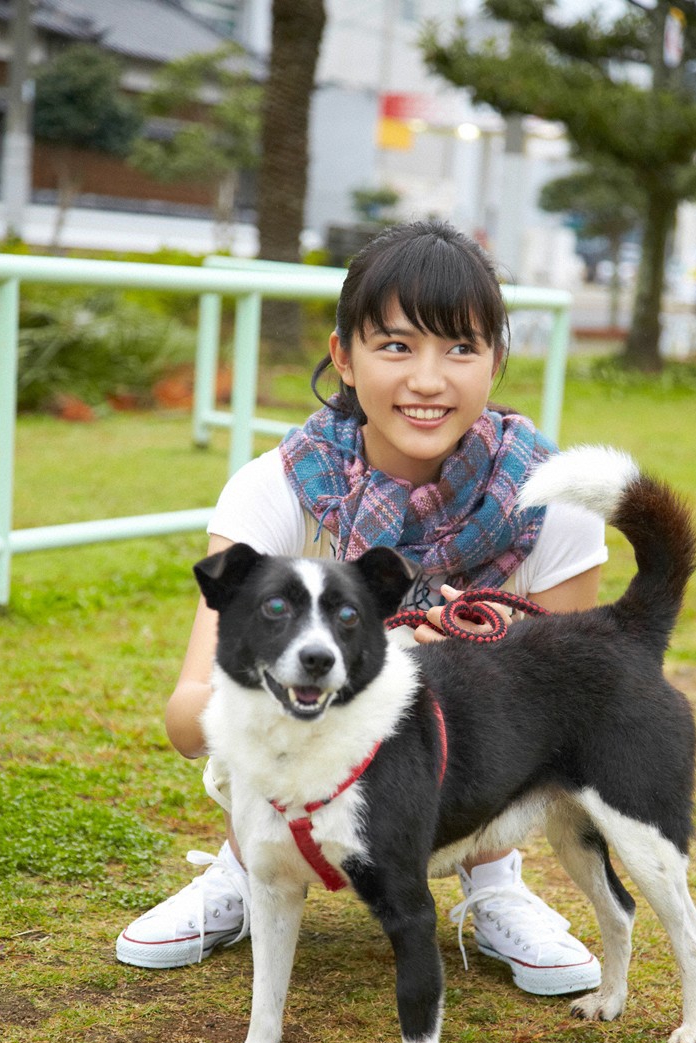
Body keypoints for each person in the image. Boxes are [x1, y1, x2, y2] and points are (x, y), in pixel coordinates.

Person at [116, 220, 607, 995]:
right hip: (288, 763)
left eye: (461, 348)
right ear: (344, 356)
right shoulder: (275, 490)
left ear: (498, 361)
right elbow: (189, 720)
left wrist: (484, 667)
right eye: (396, 346)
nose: (429, 380)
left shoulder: (556, 504)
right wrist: (371, 663)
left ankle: (495, 884)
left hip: (471, 785)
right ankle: (244, 868)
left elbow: (571, 719)